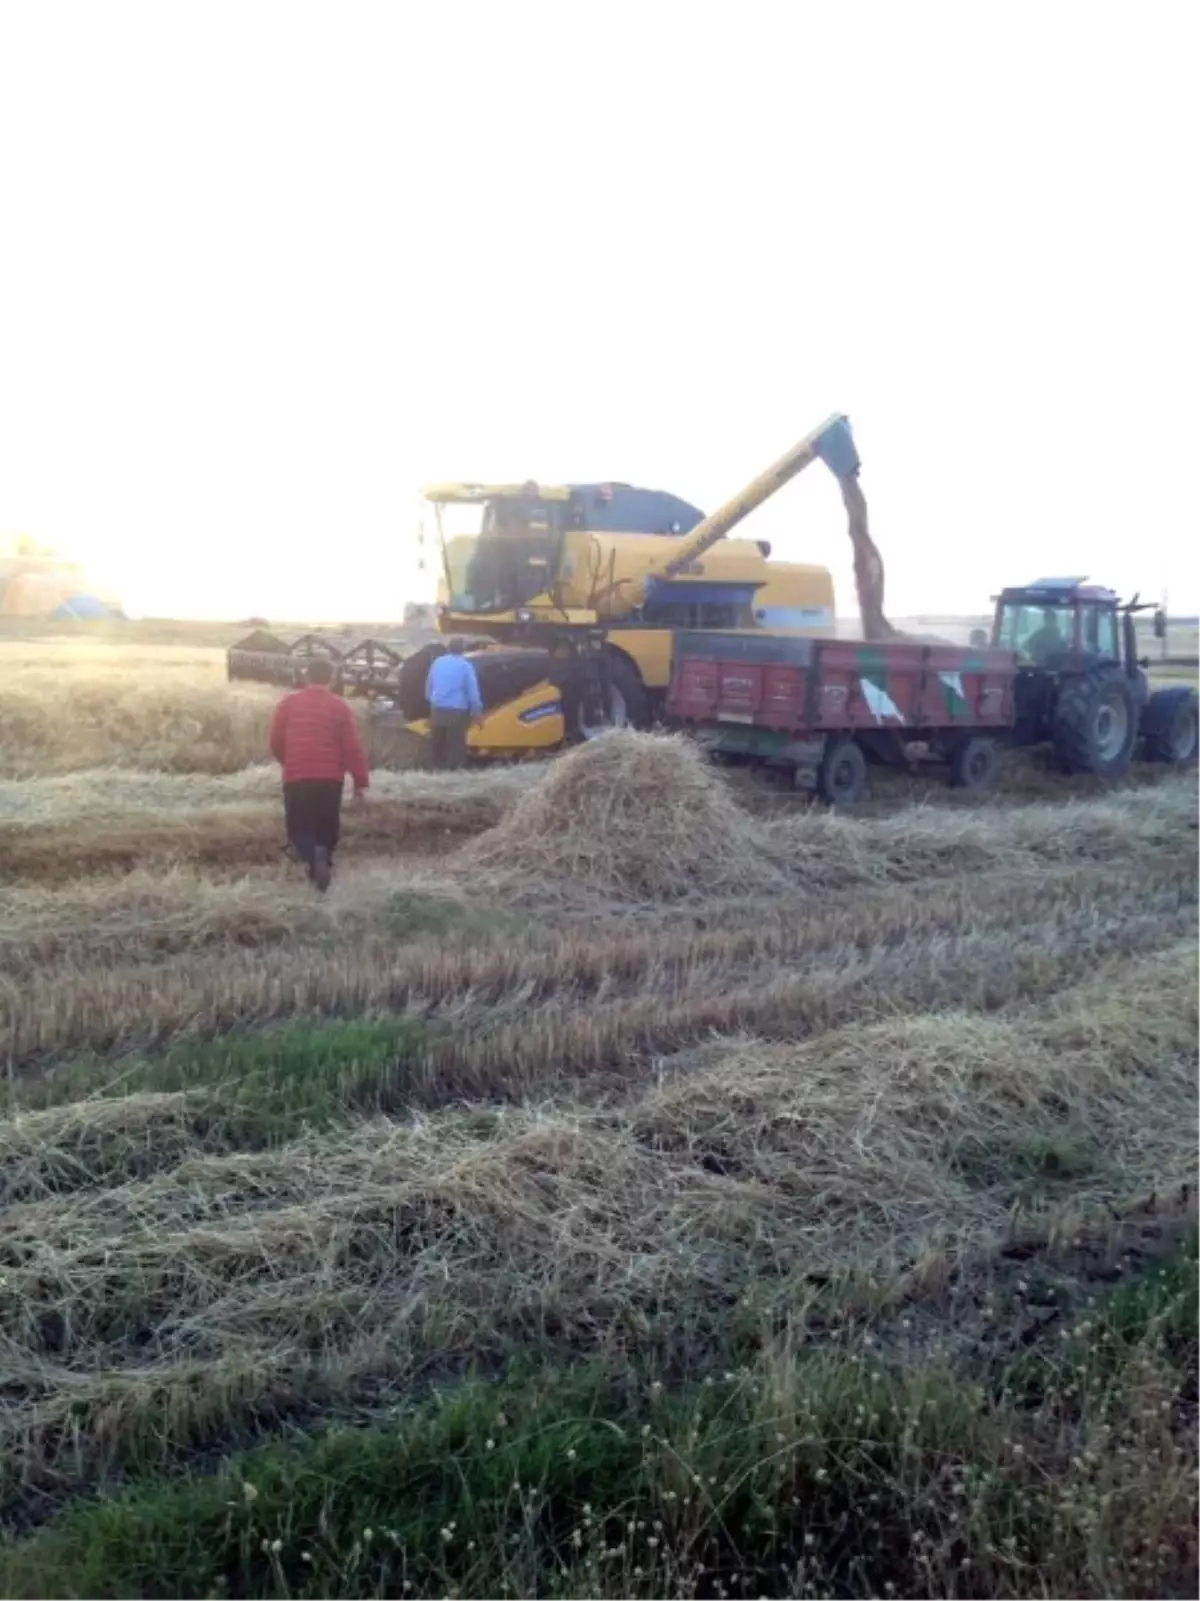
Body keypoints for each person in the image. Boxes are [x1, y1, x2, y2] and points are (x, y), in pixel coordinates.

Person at [268, 658, 369, 891]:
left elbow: (274, 739)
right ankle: (322, 862)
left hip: (297, 776)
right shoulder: (339, 707)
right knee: (326, 827)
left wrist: (288, 761)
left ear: (306, 676)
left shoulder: (288, 703)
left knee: (300, 828)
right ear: (332, 679)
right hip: (330, 779)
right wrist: (360, 781)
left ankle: (312, 859)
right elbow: (352, 747)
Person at [425, 638, 483, 770]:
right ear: (463, 650)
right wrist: (477, 713)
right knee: (456, 746)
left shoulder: (438, 662)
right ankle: (453, 772)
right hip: (457, 712)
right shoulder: (466, 666)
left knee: (436, 745)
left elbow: (429, 686)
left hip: (437, 709)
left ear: (448, 648)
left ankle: (434, 770)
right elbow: (473, 693)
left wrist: (432, 702)